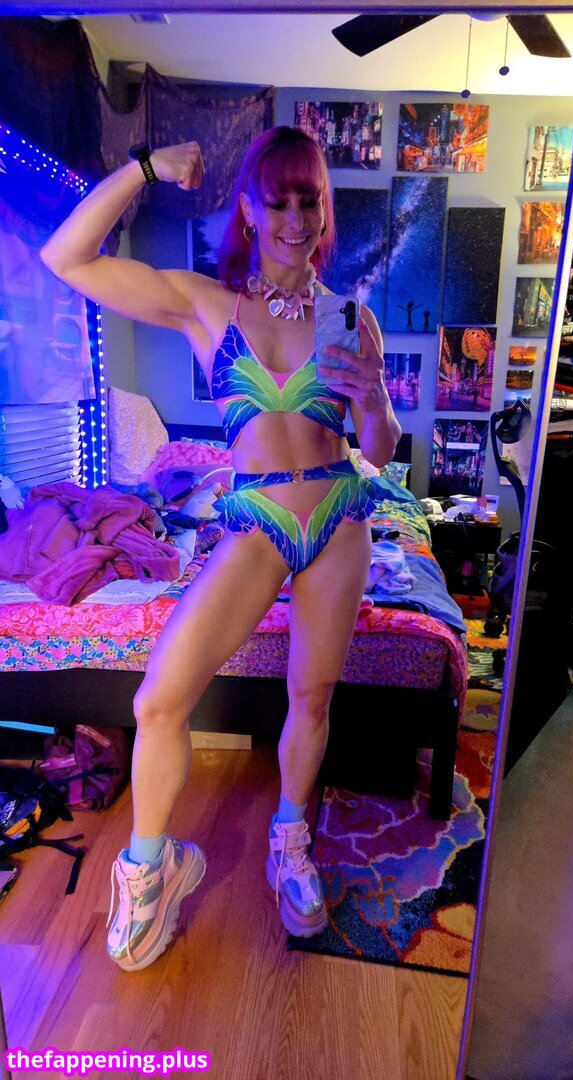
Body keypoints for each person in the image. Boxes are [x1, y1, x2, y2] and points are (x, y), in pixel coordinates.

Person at [40, 126, 402, 972]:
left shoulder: (349, 317)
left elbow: (380, 451)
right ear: (248, 209)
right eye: (278, 201)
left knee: (311, 697)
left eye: (310, 200)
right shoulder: (207, 305)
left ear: (325, 212)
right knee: (158, 701)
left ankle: (289, 841)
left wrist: (377, 398)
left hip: (340, 518)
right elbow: (67, 257)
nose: (295, 219)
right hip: (255, 518)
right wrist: (144, 169)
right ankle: (151, 870)